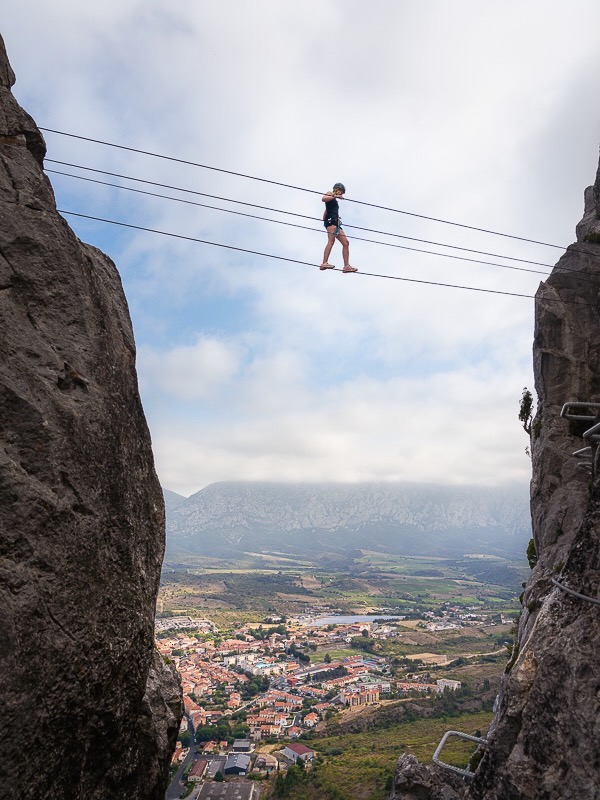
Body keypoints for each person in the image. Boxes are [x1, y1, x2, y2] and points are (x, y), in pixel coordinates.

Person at [320, 182, 357, 272]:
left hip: (336, 223)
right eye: (341, 192)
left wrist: (324, 216)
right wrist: (335, 196)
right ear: (337, 189)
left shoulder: (333, 199)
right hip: (331, 221)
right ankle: (324, 263)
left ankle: (346, 266)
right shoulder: (330, 193)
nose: (341, 194)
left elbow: (327, 209)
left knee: (346, 243)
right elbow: (323, 199)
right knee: (331, 241)